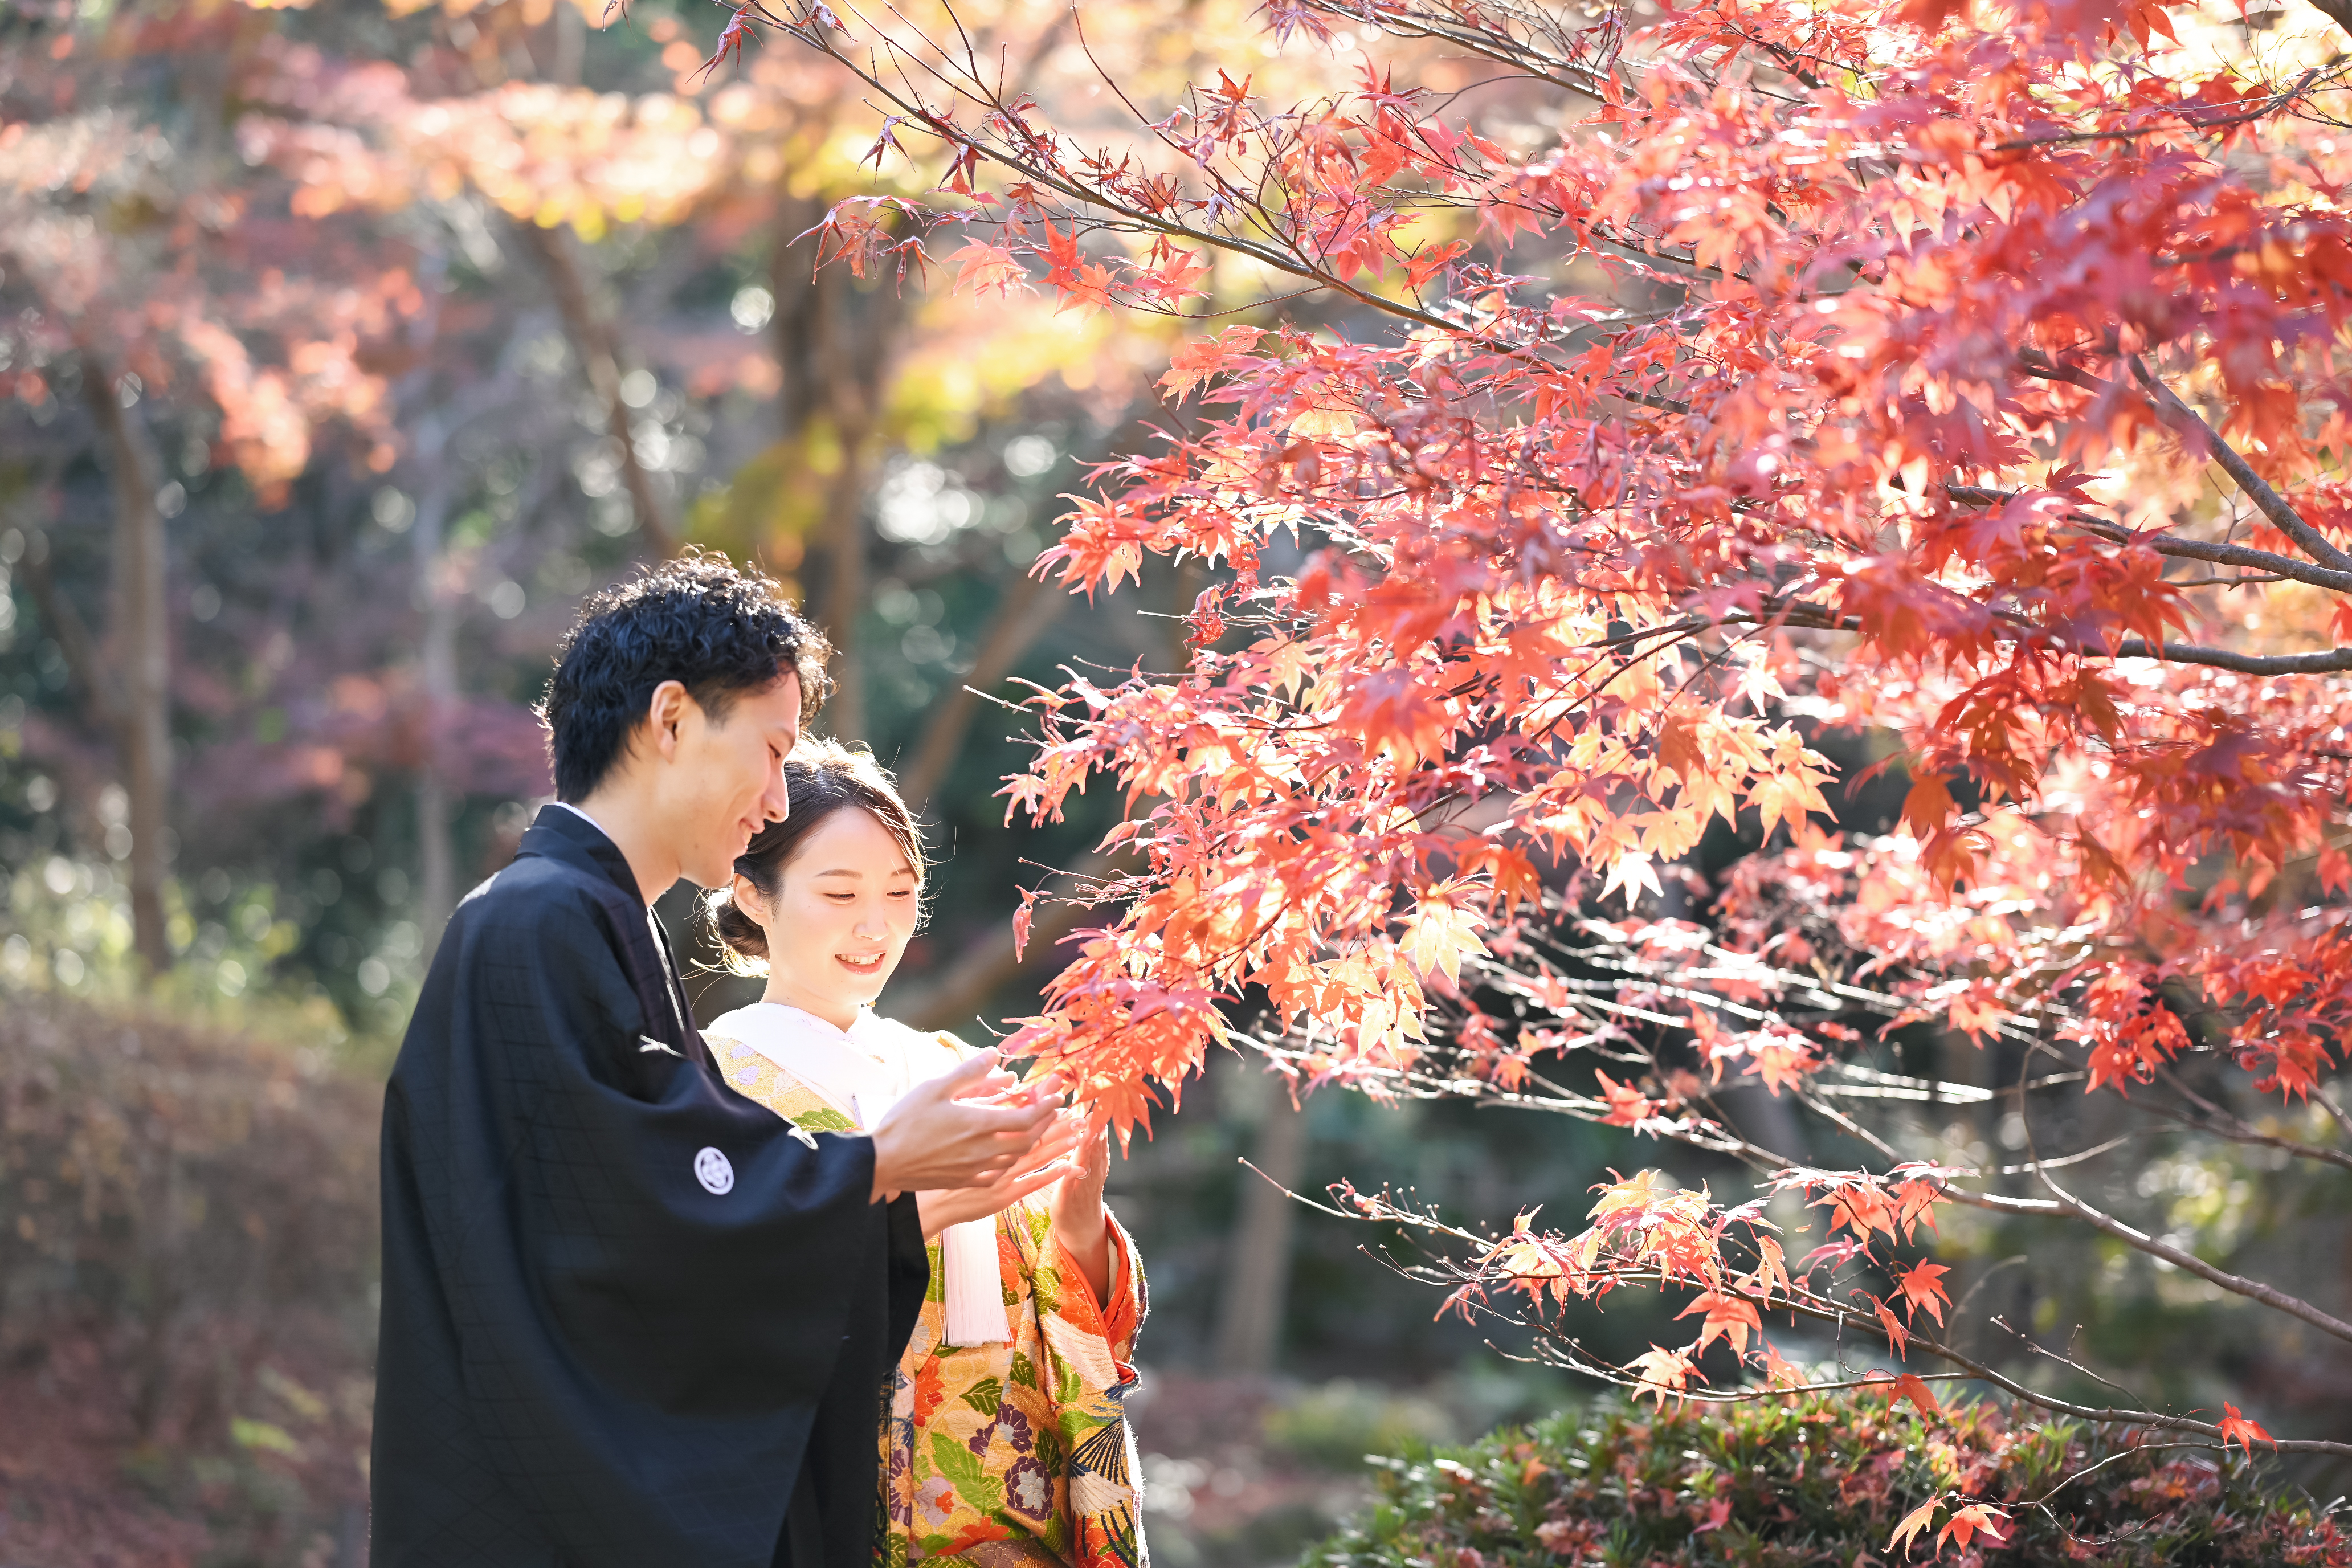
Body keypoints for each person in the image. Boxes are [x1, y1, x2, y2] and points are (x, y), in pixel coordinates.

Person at [372, 556, 1080, 1568]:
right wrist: (875, 1166)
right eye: (772, 750)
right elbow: (638, 1213)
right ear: (670, 721)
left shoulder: (589, 920)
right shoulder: (539, 922)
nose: (775, 798)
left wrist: (894, 1209)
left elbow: (642, 1214)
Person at [703, 741, 1149, 1568]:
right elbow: (718, 1318)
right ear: (751, 894)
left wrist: (1077, 1222)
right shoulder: (711, 1088)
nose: (876, 926)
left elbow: (1062, 1315)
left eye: (901, 894)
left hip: (1017, 1528)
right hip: (836, 1515)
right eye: (839, 893)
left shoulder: (951, 1065)